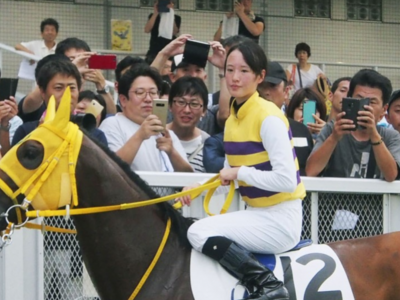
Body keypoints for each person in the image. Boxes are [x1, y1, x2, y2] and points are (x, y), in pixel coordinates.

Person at [178, 42, 305, 300]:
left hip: (280, 220)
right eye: (230, 70)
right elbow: (227, 172)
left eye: (244, 71)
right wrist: (198, 188)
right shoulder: (235, 117)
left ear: (260, 76)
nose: (235, 78)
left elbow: (287, 181)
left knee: (198, 231)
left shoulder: (268, 117)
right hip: (258, 215)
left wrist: (240, 174)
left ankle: (267, 285)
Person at [306, 69, 400, 181]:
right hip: (334, 198)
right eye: (359, 99)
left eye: (372, 102)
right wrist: (334, 138)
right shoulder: (332, 129)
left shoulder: (391, 136)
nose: (365, 107)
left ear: (384, 110)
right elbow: (311, 171)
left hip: (374, 199)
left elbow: (391, 175)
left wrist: (374, 134)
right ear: (349, 100)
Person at [99, 64, 192, 173]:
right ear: (123, 100)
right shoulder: (112, 124)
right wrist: (140, 135)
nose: (148, 99)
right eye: (140, 92)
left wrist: (172, 152)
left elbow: (188, 175)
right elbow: (111, 168)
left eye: (153, 92)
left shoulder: (166, 133)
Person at [12, 59, 107, 147]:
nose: (67, 94)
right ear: (43, 92)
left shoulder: (95, 136)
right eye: (58, 88)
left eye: (72, 88)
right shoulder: (26, 131)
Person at [257, 61, 314, 176]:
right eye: (261, 86)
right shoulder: (244, 126)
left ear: (286, 91)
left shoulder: (301, 130)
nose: (266, 92)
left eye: (272, 86)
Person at [166, 76, 210, 173]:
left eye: (194, 104)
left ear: (204, 110)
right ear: (170, 106)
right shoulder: (157, 136)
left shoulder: (208, 144)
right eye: (181, 102)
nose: (187, 110)